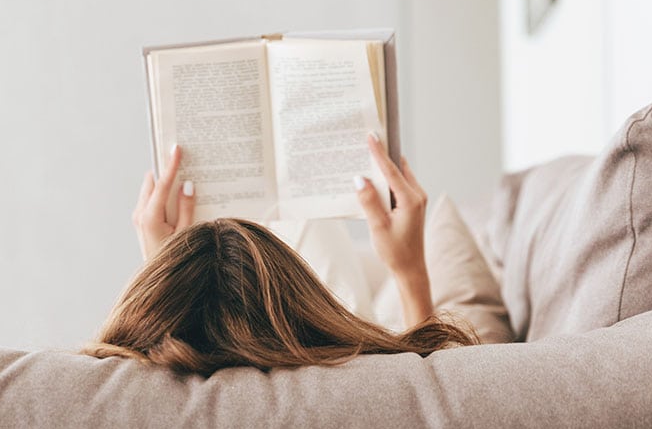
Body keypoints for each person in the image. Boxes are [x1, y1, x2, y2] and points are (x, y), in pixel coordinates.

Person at [82, 133, 477, 376]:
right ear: (304, 300)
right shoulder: (366, 378)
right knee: (304, 220)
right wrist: (409, 272)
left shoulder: (116, 394)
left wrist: (169, 272)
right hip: (312, 342)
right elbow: (435, 384)